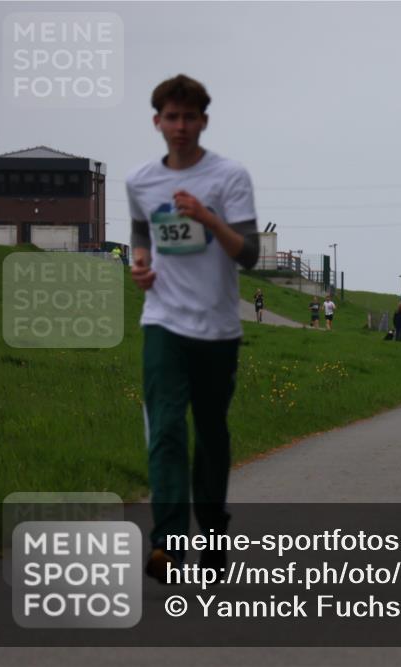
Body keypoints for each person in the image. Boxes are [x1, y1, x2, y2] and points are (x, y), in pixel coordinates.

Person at [127, 74, 259, 583]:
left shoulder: (229, 177)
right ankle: (167, 544)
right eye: (171, 117)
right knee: (164, 428)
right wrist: (140, 263)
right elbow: (142, 228)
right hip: (163, 319)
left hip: (217, 327)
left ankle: (213, 527)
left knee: (209, 433)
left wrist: (206, 216)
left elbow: (247, 253)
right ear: (157, 121)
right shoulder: (141, 179)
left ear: (203, 121)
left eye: (189, 117)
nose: (180, 126)